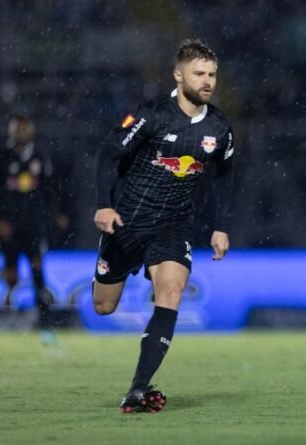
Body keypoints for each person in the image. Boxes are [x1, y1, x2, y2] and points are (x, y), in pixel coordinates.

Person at [92, 39, 235, 413]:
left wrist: (220, 226)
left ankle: (138, 389)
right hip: (127, 223)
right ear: (178, 75)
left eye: (212, 75)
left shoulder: (219, 128)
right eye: (199, 74)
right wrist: (104, 206)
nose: (207, 81)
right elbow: (107, 155)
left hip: (173, 226)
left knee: (171, 291)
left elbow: (224, 175)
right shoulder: (151, 115)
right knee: (103, 306)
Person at [0, 115, 60, 343]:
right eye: (17, 129)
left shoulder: (40, 155)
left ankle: (46, 326)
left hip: (33, 226)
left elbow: (50, 188)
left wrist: (54, 214)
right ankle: (9, 318)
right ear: (11, 131)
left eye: (24, 128)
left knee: (37, 272)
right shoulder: (3, 156)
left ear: (30, 131)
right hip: (8, 227)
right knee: (11, 277)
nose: (21, 133)